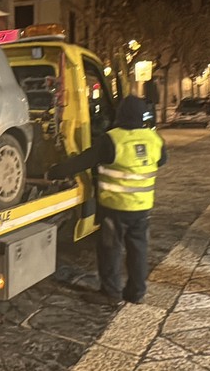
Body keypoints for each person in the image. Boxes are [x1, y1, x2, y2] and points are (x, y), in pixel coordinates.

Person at [47, 95, 167, 306]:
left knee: (110, 250)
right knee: (138, 250)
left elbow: (82, 161)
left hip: (115, 208)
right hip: (142, 208)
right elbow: (161, 160)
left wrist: (55, 172)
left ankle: (111, 293)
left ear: (121, 114)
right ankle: (136, 293)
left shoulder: (112, 139)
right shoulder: (154, 139)